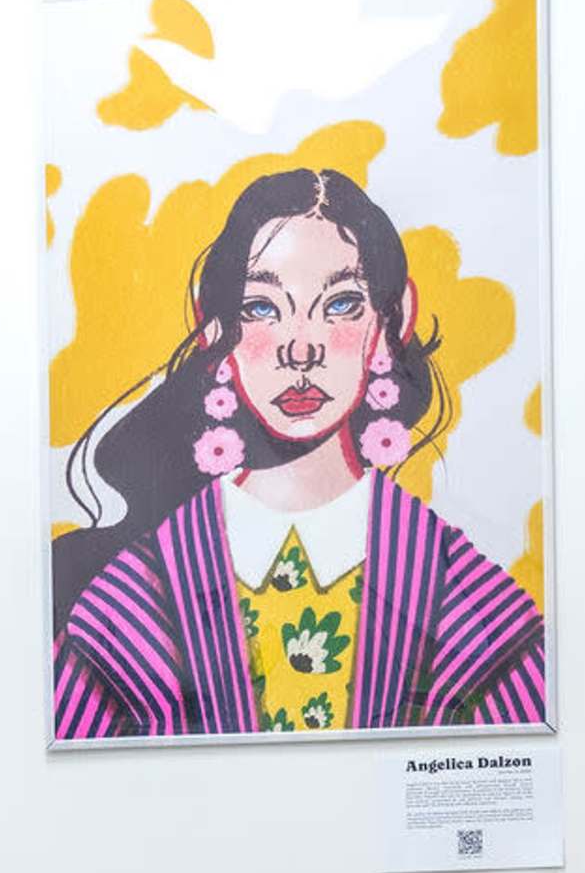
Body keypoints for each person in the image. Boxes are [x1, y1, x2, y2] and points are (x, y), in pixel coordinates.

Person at [51, 167, 544, 741]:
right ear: (212, 326)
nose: (301, 346)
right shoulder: (130, 601)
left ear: (394, 319)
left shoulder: (465, 595)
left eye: (340, 304)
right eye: (262, 307)